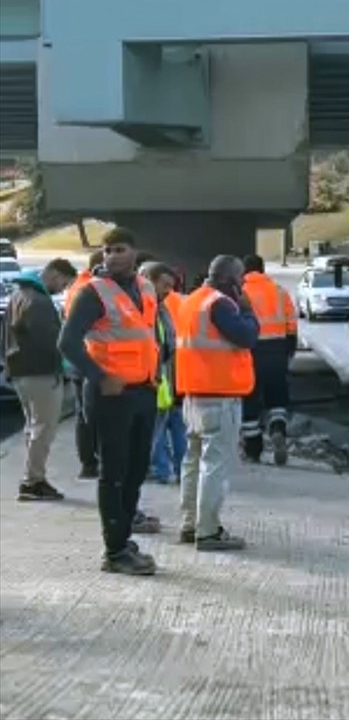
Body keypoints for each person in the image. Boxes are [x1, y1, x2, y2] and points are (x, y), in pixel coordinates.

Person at [58, 228, 160, 576]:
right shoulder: (93, 293)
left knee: (136, 470)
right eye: (107, 250)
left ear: (134, 253)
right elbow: (67, 343)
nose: (112, 255)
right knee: (113, 473)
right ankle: (114, 552)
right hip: (110, 395)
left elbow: (148, 335)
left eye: (119, 249)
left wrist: (155, 372)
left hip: (143, 391)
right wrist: (100, 377)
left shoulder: (145, 288)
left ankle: (123, 536)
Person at [175, 254, 259, 551]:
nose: (243, 286)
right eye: (241, 280)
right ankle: (208, 531)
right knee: (215, 465)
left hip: (193, 394)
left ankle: (190, 524)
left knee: (193, 461)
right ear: (230, 281)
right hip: (219, 396)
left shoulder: (192, 300)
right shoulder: (220, 304)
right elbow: (247, 336)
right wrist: (248, 310)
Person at [4, 258, 77, 501]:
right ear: (55, 274)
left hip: (20, 371)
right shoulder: (40, 302)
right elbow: (52, 342)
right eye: (64, 284)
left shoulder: (19, 295)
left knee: (32, 426)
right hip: (42, 372)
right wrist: (65, 365)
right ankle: (33, 480)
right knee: (44, 427)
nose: (63, 289)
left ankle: (32, 476)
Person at [239, 254, 297, 465]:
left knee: (250, 400)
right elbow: (291, 321)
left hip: (251, 352)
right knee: (277, 395)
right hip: (277, 350)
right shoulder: (279, 291)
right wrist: (290, 346)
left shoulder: (240, 292)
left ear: (244, 270)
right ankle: (278, 430)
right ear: (262, 269)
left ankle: (253, 449)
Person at [141, 262, 186, 485]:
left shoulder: (162, 306)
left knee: (163, 427)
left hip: (164, 379)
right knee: (158, 429)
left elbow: (168, 342)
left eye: (171, 285)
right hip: (149, 380)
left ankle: (163, 469)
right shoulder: (144, 307)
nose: (168, 290)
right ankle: (160, 469)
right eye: (164, 284)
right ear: (149, 280)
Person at [63, 249, 105, 479]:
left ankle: (89, 462)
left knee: (85, 414)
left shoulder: (80, 285)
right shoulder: (89, 289)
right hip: (87, 358)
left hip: (81, 359)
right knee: (89, 415)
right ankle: (90, 462)